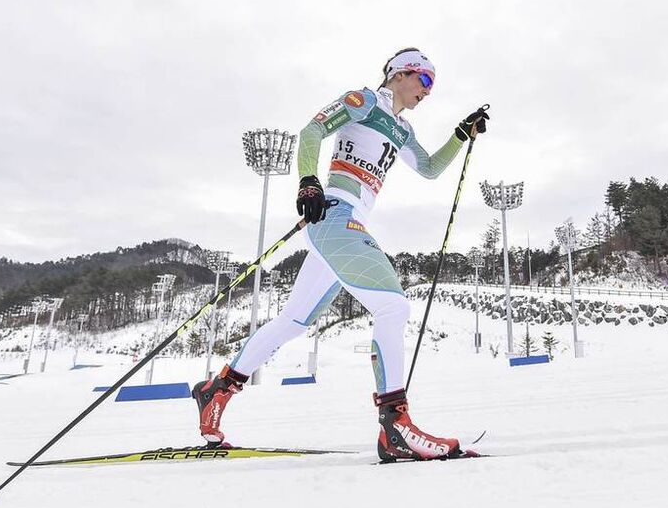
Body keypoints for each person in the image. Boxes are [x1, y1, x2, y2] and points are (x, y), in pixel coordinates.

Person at [191, 48, 489, 461]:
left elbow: (431, 169)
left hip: (346, 225)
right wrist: (309, 183)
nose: (428, 91)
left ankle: (217, 389)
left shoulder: (402, 130)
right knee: (392, 308)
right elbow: (311, 132)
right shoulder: (363, 101)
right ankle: (395, 427)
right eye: (424, 80)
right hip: (334, 214)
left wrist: (461, 134)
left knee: (293, 321)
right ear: (400, 73)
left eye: (432, 85)